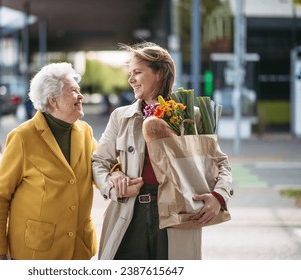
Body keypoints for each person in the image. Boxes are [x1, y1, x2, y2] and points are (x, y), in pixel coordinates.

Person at [92, 42, 233, 260]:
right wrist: (113, 182)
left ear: (160, 74)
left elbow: (220, 163)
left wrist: (219, 196)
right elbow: (99, 162)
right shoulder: (121, 117)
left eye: (137, 72)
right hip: (129, 214)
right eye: (130, 73)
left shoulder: (192, 116)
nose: (131, 79)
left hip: (179, 214)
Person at [0, 62, 97, 260]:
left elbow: (102, 166)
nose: (81, 96)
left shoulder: (86, 132)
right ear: (53, 100)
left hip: (79, 248)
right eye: (73, 91)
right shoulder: (22, 137)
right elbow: (0, 197)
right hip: (37, 251)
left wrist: (116, 173)